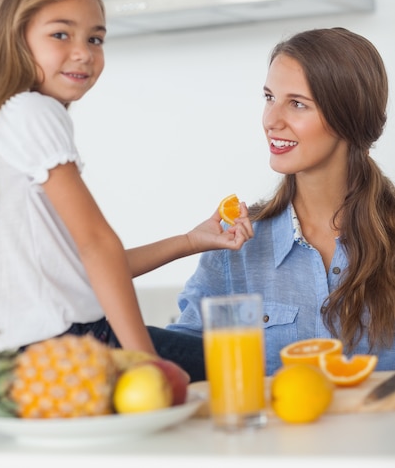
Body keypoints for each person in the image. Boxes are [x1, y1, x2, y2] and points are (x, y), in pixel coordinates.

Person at [0, 0, 253, 381]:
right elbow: (96, 245)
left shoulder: (3, 121)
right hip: (75, 343)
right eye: (60, 34)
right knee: (243, 366)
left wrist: (189, 240)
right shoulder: (33, 110)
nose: (83, 52)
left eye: (96, 38)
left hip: (23, 362)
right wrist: (147, 365)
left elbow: (84, 266)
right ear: (15, 38)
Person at [166, 27, 395, 377]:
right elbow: (181, 371)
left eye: (297, 104)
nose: (271, 121)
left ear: (347, 115)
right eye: (269, 97)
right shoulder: (233, 246)